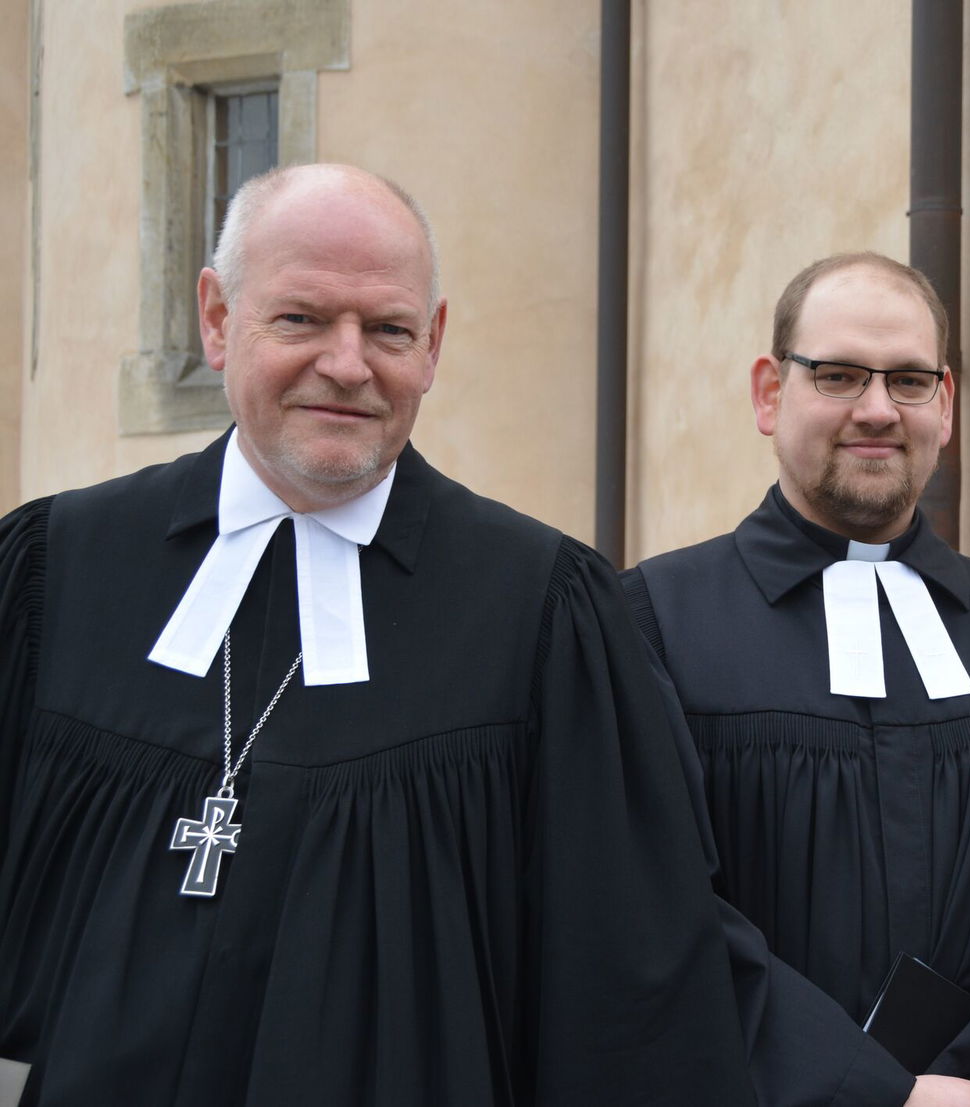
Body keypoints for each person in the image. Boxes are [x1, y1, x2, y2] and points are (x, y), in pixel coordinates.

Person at [0, 164, 756, 1106]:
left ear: (433, 345)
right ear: (216, 316)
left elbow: (629, 985)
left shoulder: (538, 609)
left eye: (389, 329)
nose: (348, 365)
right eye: (302, 318)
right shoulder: (60, 565)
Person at [622, 252, 970, 1105]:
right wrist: (868, 1092)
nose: (877, 409)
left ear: (944, 406)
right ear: (770, 393)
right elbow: (650, 908)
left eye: (910, 381)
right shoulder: (655, 626)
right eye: (837, 375)